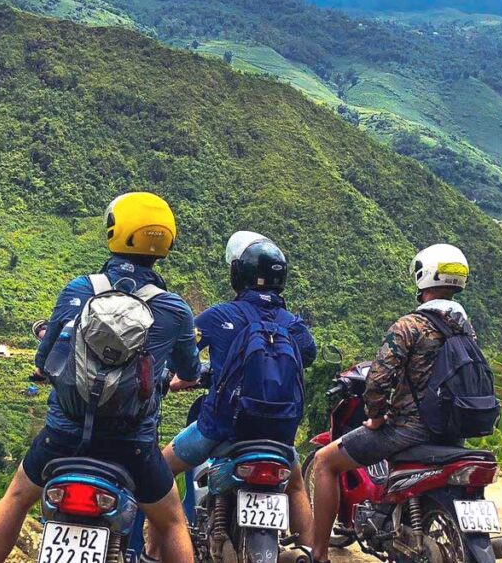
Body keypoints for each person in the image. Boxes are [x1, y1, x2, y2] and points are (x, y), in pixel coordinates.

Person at [0, 192, 201, 563]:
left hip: (64, 435)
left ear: (114, 231)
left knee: (16, 500)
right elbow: (191, 370)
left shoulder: (79, 289)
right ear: (166, 241)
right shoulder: (174, 308)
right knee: (173, 523)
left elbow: (45, 355)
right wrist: (179, 378)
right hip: (132, 445)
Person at [142, 232, 317, 561]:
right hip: (278, 436)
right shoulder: (294, 325)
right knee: (295, 487)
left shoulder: (219, 316)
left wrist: (179, 378)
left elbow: (183, 354)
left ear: (239, 274)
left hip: (221, 428)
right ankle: (311, 552)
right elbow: (308, 356)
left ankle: (153, 553)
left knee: (161, 471)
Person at [308, 243, 474, 563]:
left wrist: (375, 417)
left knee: (326, 462)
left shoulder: (410, 325)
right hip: (454, 433)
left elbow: (379, 379)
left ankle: (318, 554)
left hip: (410, 430)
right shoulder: (465, 328)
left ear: (423, 277)